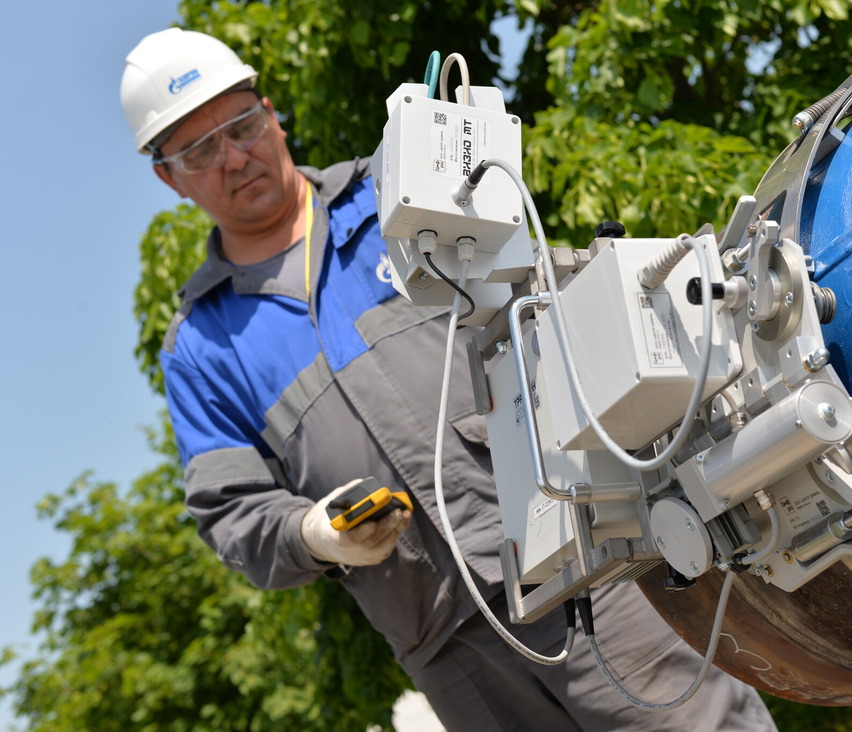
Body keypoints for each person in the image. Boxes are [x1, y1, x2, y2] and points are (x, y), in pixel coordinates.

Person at [120, 27, 777, 731]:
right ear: (167, 175)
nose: (234, 156)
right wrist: (311, 534)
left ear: (272, 114)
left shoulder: (392, 195)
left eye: (242, 125)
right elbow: (229, 511)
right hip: (448, 642)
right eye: (199, 149)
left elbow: (548, 300)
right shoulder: (202, 346)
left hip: (583, 551)